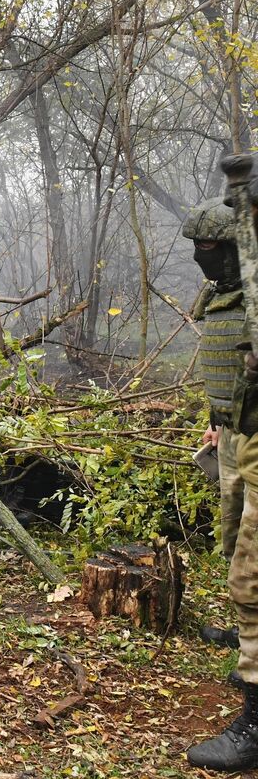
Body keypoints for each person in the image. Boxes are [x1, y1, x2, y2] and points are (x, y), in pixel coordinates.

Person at [183, 198, 258, 770]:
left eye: (211, 248)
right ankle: (247, 639)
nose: (202, 258)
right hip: (233, 431)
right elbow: (221, 357)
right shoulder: (226, 291)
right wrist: (217, 417)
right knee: (234, 541)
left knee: (251, 573)